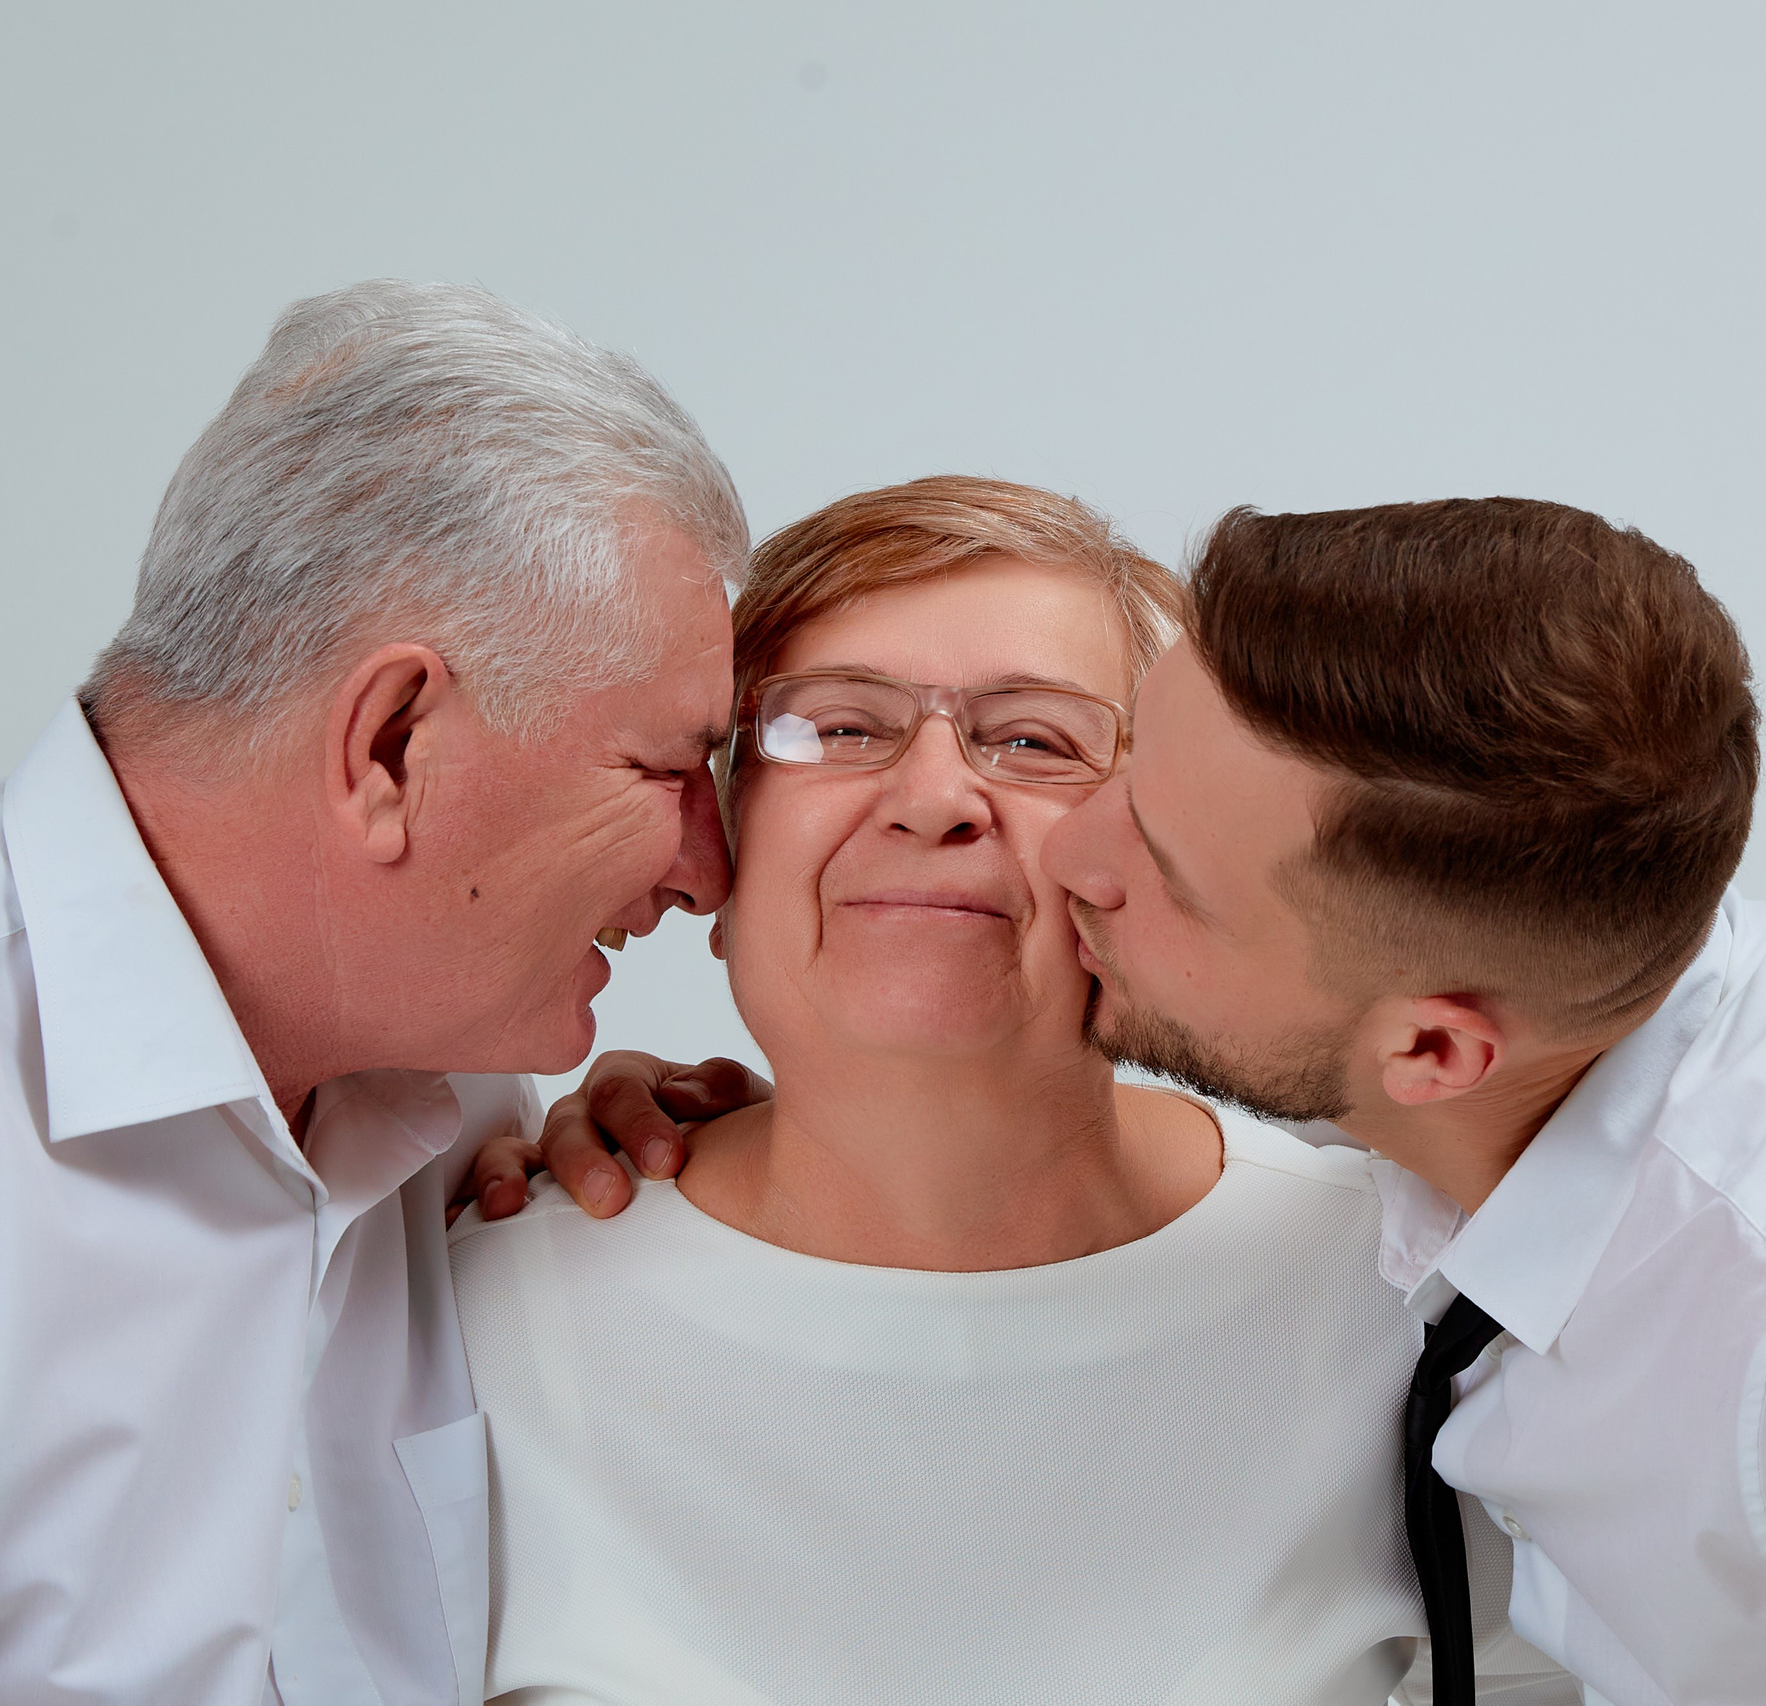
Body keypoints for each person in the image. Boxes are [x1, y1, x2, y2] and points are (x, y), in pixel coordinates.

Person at [548, 499, 1766, 1704]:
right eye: (1136, 767)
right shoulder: (1482, 1092)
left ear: (1429, 1052)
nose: (1062, 850)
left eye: (1146, 852)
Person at [0, 280, 743, 1705]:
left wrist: (659, 1238)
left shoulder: (451, 1089)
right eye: (668, 768)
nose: (709, 867)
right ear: (391, 742)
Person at [451, 478, 1574, 1704]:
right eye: (838, 725)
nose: (933, 799)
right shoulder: (473, 1323)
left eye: (1035, 739)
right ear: (717, 837)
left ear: (1157, 852)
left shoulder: (1410, 1296)